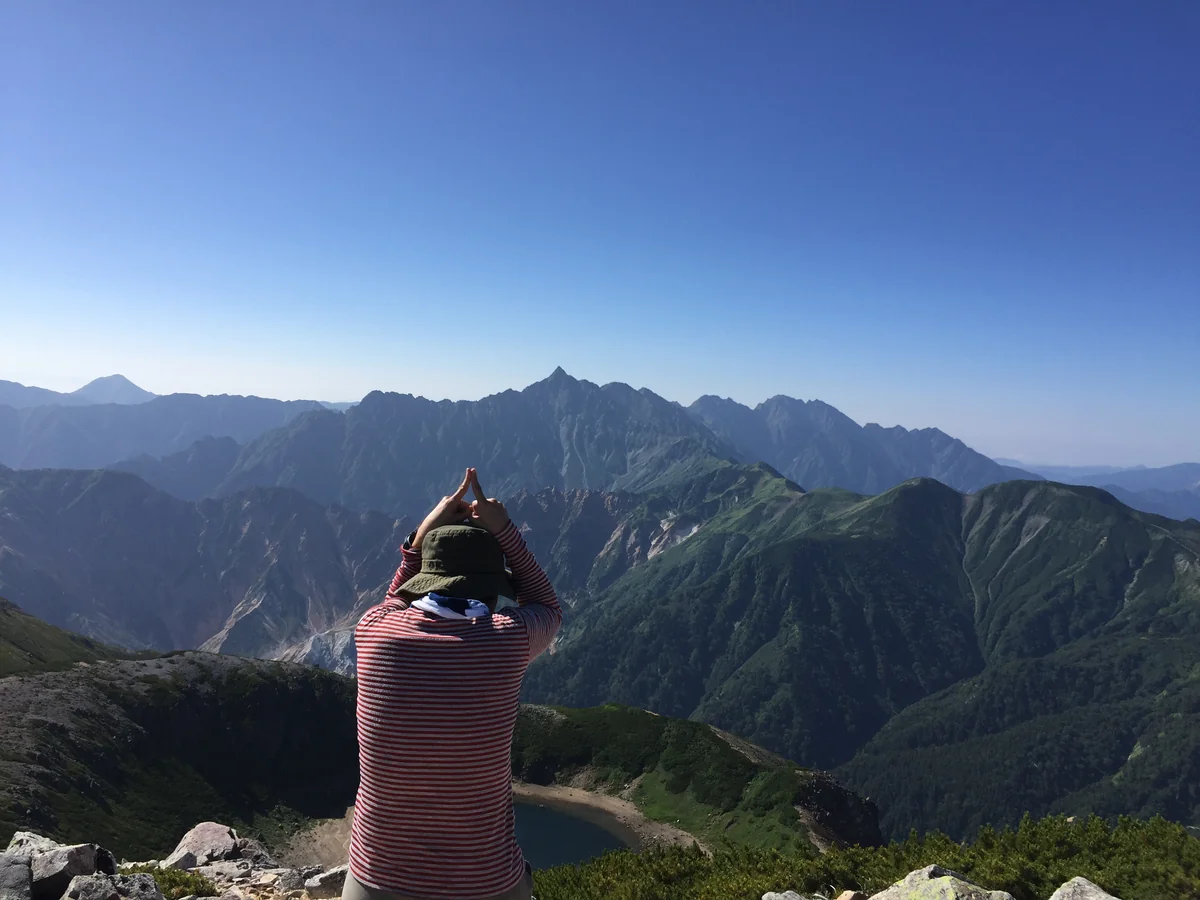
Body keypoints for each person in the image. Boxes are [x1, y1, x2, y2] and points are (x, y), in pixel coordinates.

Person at [344, 467, 562, 900]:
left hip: (373, 879)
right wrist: (504, 531)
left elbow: (394, 598)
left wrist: (422, 533)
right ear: (492, 588)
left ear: (426, 576)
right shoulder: (507, 639)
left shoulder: (372, 629)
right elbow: (546, 607)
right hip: (482, 885)